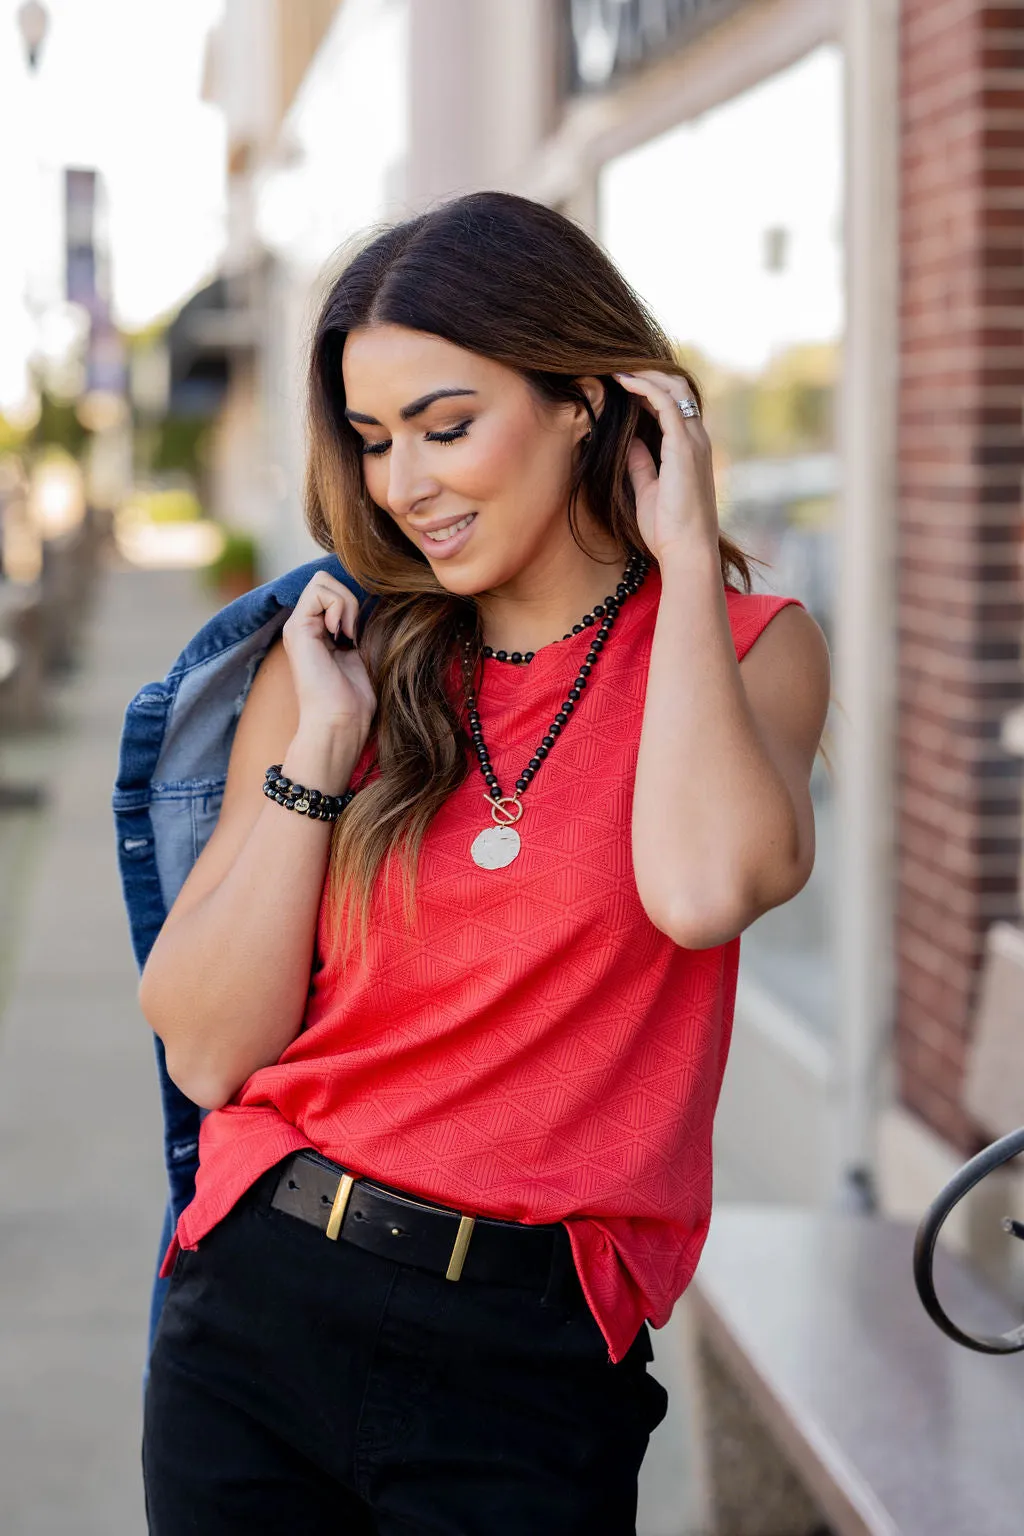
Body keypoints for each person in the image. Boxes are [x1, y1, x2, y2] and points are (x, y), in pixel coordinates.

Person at [129, 190, 830, 1534]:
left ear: (585, 401)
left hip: (527, 1361)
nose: (404, 485)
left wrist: (683, 554)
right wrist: (322, 745)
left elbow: (702, 891)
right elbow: (210, 1050)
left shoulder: (746, 647)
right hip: (257, 1314)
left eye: (448, 428)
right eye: (377, 439)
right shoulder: (339, 657)